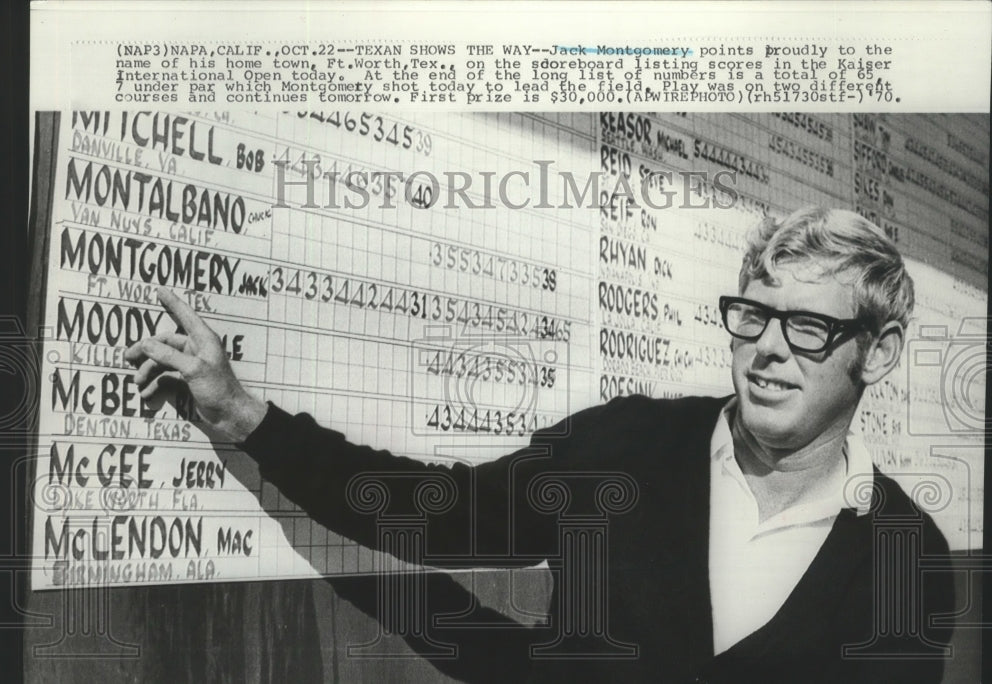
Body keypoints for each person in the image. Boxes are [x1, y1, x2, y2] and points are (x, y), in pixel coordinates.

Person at [127, 206, 954, 683]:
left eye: (808, 327)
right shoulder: (626, 447)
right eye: (753, 316)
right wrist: (247, 421)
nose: (767, 349)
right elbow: (439, 515)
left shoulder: (906, 560)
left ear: (875, 352)